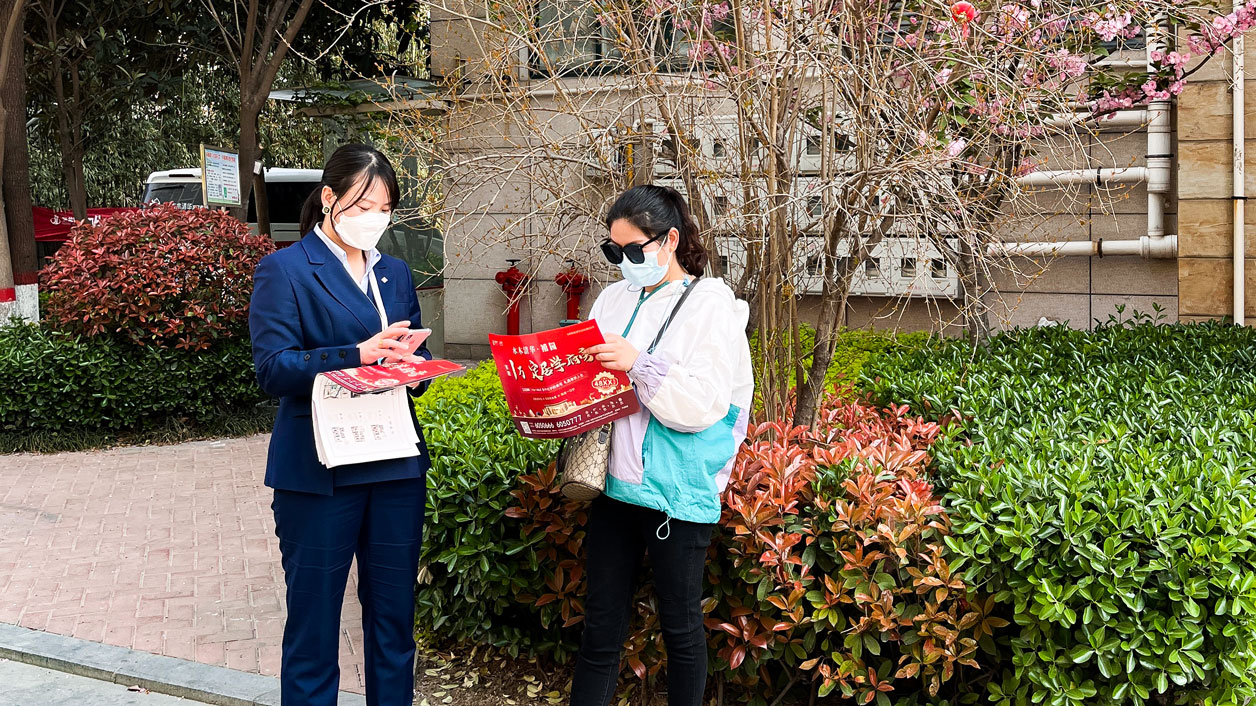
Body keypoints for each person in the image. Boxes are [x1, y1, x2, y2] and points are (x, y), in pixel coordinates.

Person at [248, 144, 431, 706]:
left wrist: (413, 367)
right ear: (329, 199)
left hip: (395, 464)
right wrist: (356, 354)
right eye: (362, 204)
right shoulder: (285, 269)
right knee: (314, 629)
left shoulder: (395, 272)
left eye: (385, 207)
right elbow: (274, 368)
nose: (374, 217)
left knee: (394, 624)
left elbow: (413, 361)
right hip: (319, 473)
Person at [577, 184, 754, 706]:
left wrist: (639, 364)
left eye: (635, 250)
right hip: (612, 487)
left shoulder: (711, 307)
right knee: (600, 629)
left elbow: (703, 404)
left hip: (676, 493)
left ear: (670, 240)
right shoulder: (612, 298)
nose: (624, 261)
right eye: (615, 251)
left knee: (681, 630)